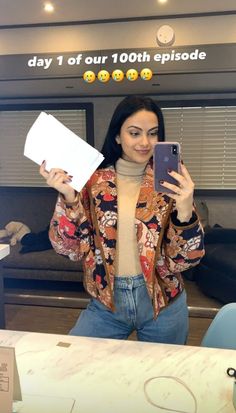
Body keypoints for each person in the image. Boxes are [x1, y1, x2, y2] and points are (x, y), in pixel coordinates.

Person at [40, 95, 204, 344]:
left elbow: (184, 262)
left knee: (162, 379)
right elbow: (68, 249)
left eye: (153, 133)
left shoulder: (171, 183)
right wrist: (69, 199)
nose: (145, 142)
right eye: (134, 133)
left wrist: (184, 212)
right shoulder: (92, 182)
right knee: (74, 362)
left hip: (163, 304)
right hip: (108, 304)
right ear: (118, 136)